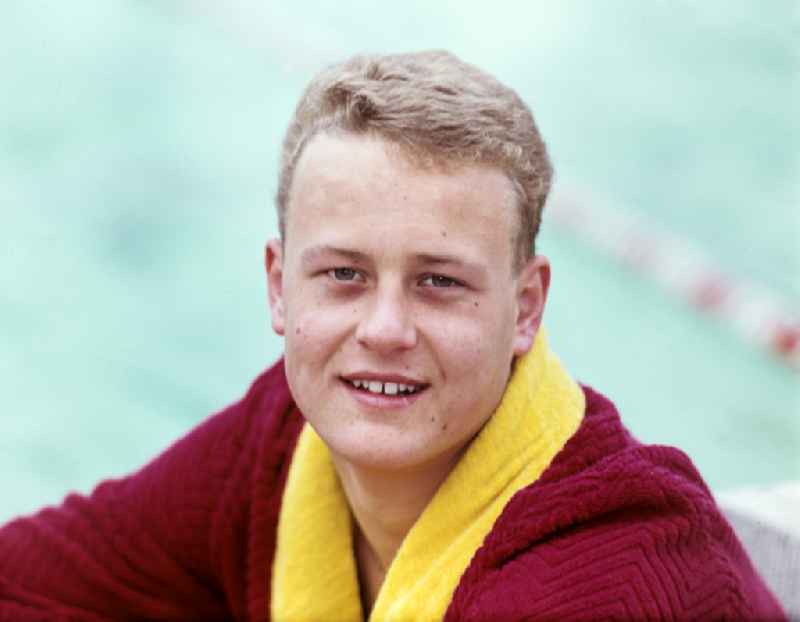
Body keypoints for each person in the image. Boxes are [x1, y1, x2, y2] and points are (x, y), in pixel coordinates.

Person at [0, 50, 785, 621]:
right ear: (279, 286)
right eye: (343, 274)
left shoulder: (609, 581)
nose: (383, 330)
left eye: (439, 282)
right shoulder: (279, 445)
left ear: (527, 306)